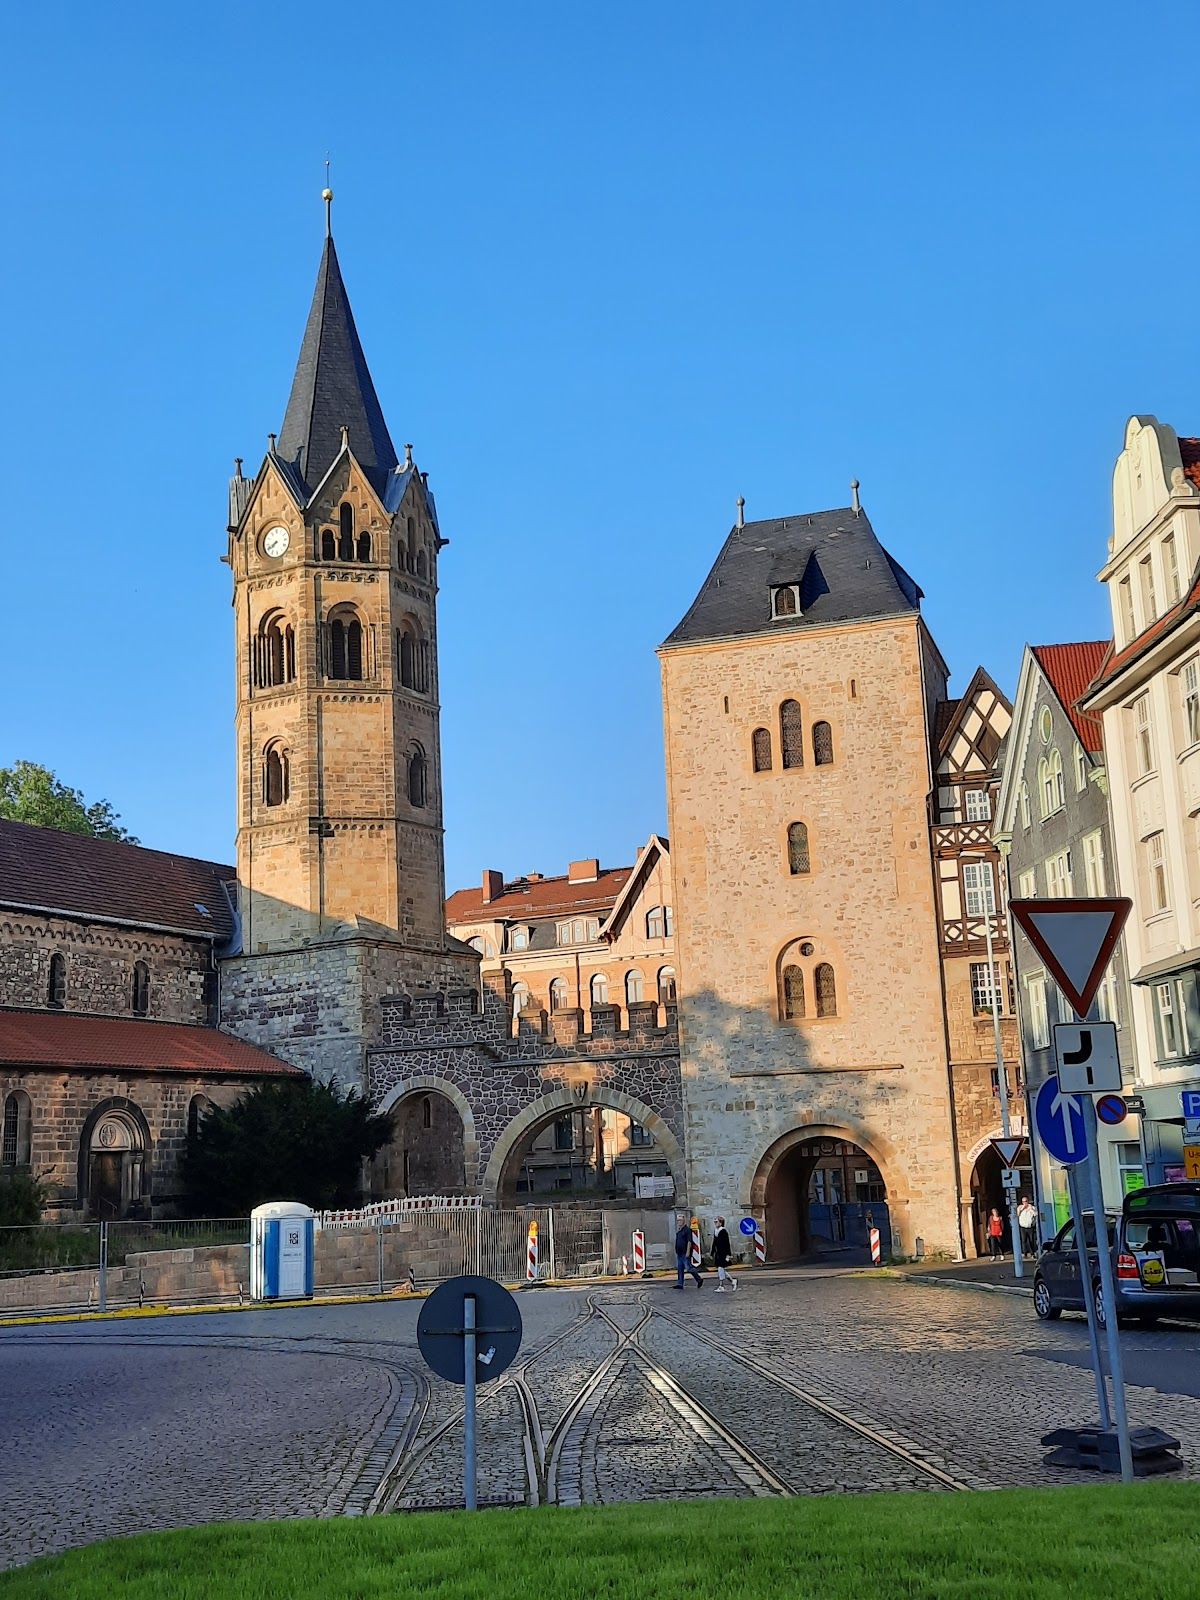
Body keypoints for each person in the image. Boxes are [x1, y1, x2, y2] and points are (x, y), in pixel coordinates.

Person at [674, 1217, 703, 1289]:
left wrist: (688, 1252)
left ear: (684, 1221)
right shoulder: (679, 1231)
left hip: (685, 1253)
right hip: (679, 1253)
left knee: (689, 1268)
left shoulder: (687, 1230)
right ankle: (680, 1284)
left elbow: (689, 1242)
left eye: (680, 1220)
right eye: (678, 1220)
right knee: (680, 1269)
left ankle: (699, 1279)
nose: (679, 1222)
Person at [712, 1217, 738, 1292]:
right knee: (721, 1269)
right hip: (718, 1253)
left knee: (720, 1268)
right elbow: (714, 1243)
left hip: (723, 1253)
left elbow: (727, 1243)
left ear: (721, 1223)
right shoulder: (716, 1231)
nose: (715, 1223)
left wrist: (728, 1254)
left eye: (716, 1222)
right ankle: (732, 1281)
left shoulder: (723, 1231)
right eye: (714, 1222)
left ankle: (721, 1285)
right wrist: (712, 1252)